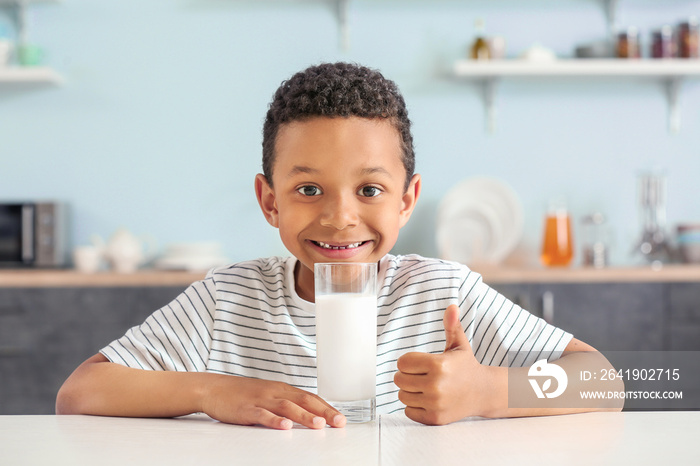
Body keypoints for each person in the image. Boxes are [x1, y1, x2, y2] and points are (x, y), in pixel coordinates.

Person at [56, 62, 621, 430]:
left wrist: (487, 391)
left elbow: (605, 381)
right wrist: (212, 391)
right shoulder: (228, 298)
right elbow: (80, 393)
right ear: (270, 200)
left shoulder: (441, 291)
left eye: (370, 189)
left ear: (406, 199)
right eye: (308, 189)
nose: (339, 216)